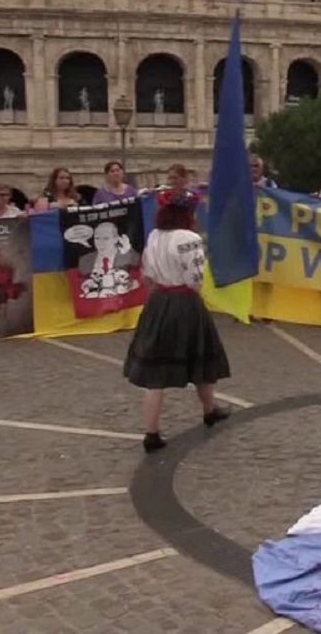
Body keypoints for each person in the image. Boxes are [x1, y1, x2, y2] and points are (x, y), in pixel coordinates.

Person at [123, 188, 231, 452]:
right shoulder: (189, 238)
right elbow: (195, 279)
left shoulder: (155, 236)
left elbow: (147, 274)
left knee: (155, 372)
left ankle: (152, 432)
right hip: (184, 303)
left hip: (159, 301)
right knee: (201, 358)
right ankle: (209, 410)